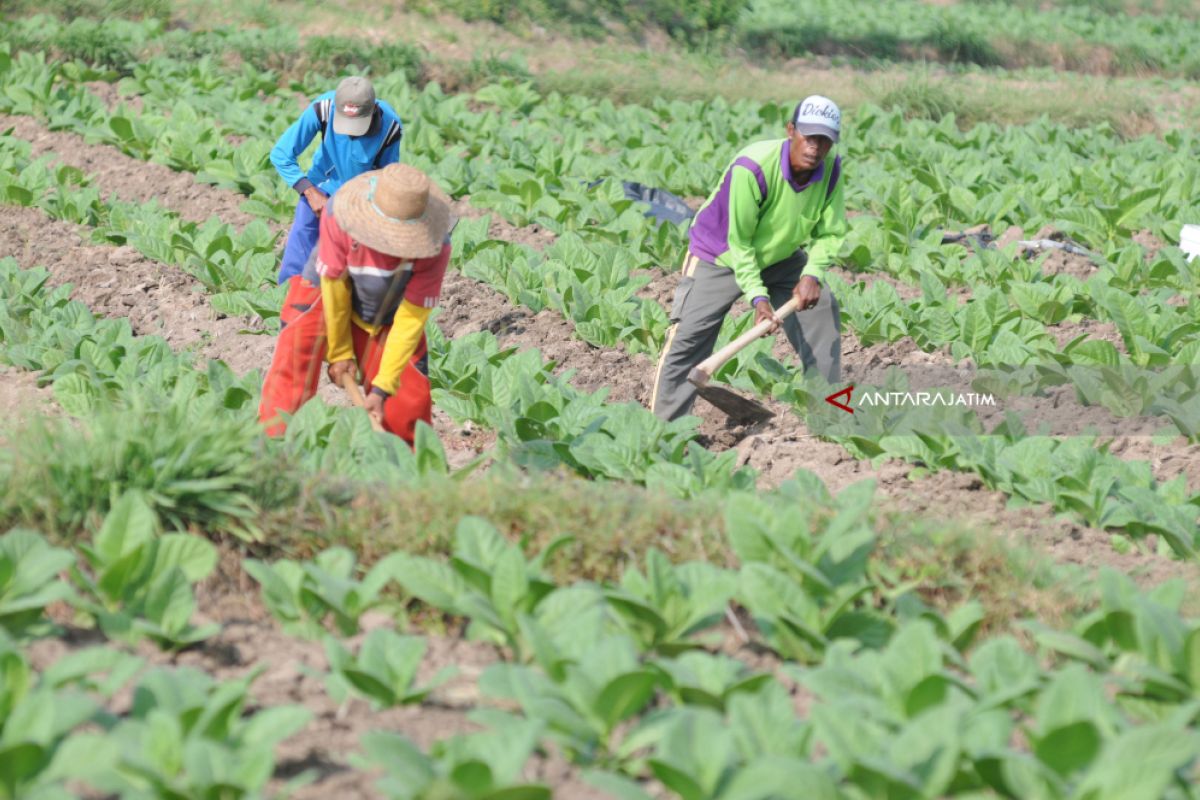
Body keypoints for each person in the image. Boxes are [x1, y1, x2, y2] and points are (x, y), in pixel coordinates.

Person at [650, 94, 847, 422]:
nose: (815, 147)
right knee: (689, 340)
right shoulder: (752, 167)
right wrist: (759, 300)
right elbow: (739, 243)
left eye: (824, 140)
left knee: (823, 310)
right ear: (790, 131)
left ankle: (830, 414)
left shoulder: (830, 169)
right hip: (720, 254)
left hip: (781, 256)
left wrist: (812, 274)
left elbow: (831, 232)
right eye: (808, 136)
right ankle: (662, 432)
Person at [257, 163, 453, 442]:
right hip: (323, 292)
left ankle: (406, 473)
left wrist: (382, 389)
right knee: (293, 365)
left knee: (407, 399)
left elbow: (410, 320)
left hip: (387, 309)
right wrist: (340, 354)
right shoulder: (340, 214)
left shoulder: (436, 247)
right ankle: (269, 452)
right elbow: (334, 289)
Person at [270, 75, 404, 286]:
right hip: (320, 187)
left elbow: (386, 176)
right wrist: (309, 191)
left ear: (373, 110)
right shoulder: (322, 109)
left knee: (349, 268)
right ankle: (287, 302)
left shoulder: (390, 127)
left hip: (358, 197)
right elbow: (281, 154)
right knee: (301, 249)